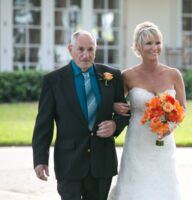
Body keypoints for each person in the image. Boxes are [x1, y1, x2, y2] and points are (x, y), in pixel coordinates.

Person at [32, 30, 129, 200]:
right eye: (81, 49)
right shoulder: (54, 81)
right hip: (69, 161)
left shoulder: (111, 76)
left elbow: (124, 111)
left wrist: (115, 125)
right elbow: (44, 123)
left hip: (102, 161)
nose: (86, 55)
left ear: (95, 50)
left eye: (90, 49)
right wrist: (40, 158)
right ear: (71, 49)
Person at [108, 21, 186, 200]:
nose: (154, 47)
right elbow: (112, 101)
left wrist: (171, 127)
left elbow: (183, 107)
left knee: (163, 183)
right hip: (137, 140)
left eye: (157, 42)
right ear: (138, 47)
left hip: (163, 141)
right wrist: (113, 106)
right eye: (149, 43)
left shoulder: (174, 74)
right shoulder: (127, 76)